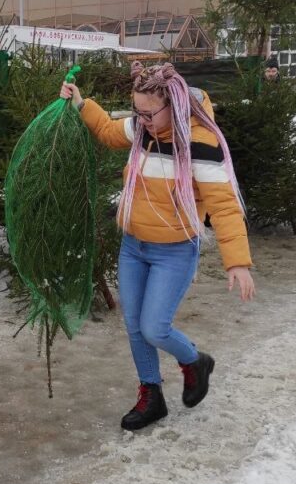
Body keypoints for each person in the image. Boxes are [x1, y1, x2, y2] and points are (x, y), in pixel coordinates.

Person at [60, 62, 256, 431]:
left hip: (174, 251)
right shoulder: (142, 129)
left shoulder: (200, 141)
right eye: (138, 112)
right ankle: (152, 396)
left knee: (154, 327)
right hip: (134, 246)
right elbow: (106, 130)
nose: (142, 120)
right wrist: (81, 104)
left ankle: (195, 361)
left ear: (174, 104)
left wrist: (237, 262)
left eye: (149, 113)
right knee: (135, 328)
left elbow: (225, 205)